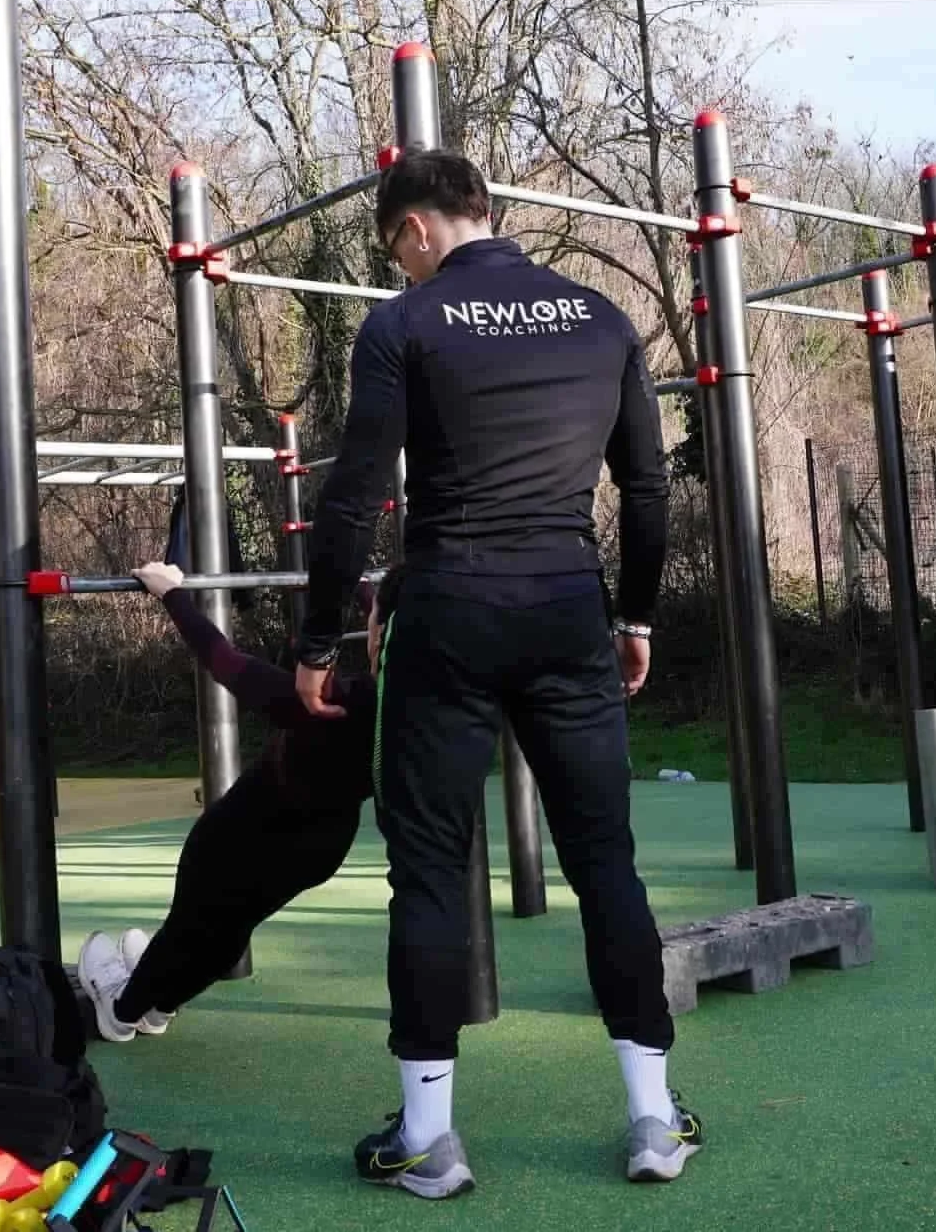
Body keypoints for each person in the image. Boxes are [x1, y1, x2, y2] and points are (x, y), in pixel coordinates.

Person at [292, 149, 695, 1198]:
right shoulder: (602, 318)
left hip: (451, 610)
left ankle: (428, 1140)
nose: (400, 270)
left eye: (396, 252)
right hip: (569, 609)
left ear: (416, 228)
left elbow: (353, 497)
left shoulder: (404, 324)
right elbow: (647, 491)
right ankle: (653, 1121)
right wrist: (635, 615)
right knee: (605, 860)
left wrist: (318, 640)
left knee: (428, 867)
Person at [70, 562, 390, 1042]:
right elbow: (393, 632)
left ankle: (121, 1009)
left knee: (191, 920)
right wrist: (361, 587)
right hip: (320, 846)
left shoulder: (325, 703)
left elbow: (223, 659)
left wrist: (170, 594)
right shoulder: (417, 704)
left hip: (251, 825)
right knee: (233, 924)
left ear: (377, 638)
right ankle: (160, 1006)